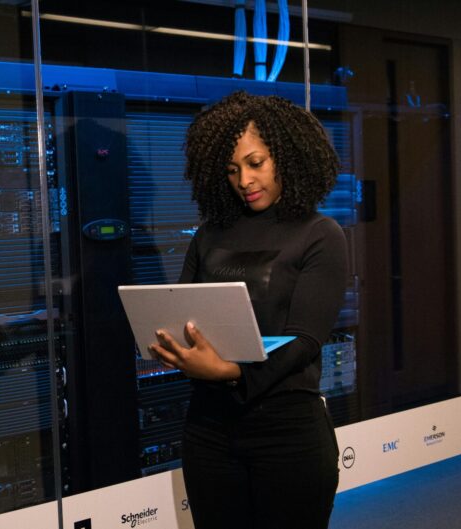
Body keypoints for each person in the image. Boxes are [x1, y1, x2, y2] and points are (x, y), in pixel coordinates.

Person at [147, 91, 348, 529]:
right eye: (233, 169)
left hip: (289, 432)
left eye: (256, 163)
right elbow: (184, 316)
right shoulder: (209, 235)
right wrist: (175, 347)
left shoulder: (320, 234)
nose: (244, 180)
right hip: (209, 431)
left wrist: (230, 372)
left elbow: (305, 340)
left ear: (287, 157)